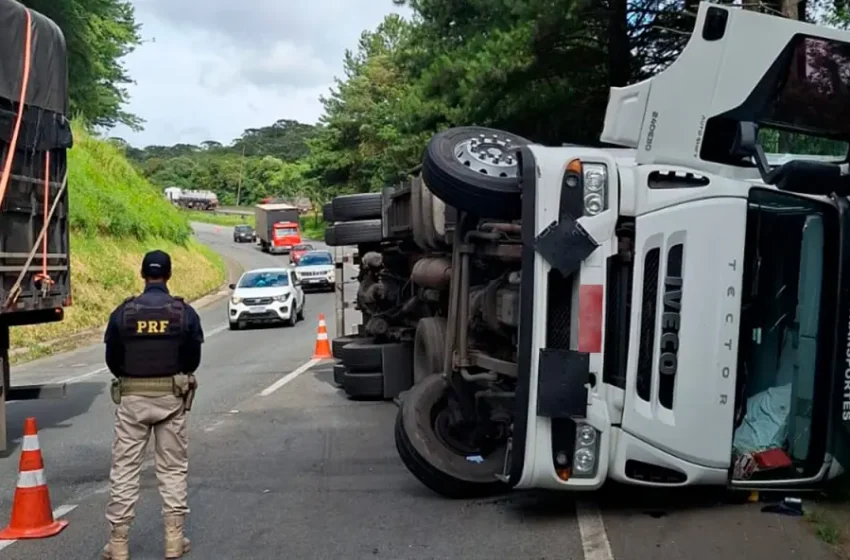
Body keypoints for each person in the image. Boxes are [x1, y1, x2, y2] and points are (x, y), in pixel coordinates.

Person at [102, 250, 204, 560]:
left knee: (124, 470)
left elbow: (112, 357)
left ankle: (118, 543)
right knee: (172, 469)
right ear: (169, 276)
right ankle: (174, 540)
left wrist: (130, 377)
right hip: (171, 398)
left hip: (132, 398)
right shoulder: (183, 313)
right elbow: (192, 358)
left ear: (143, 275)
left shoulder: (124, 312)